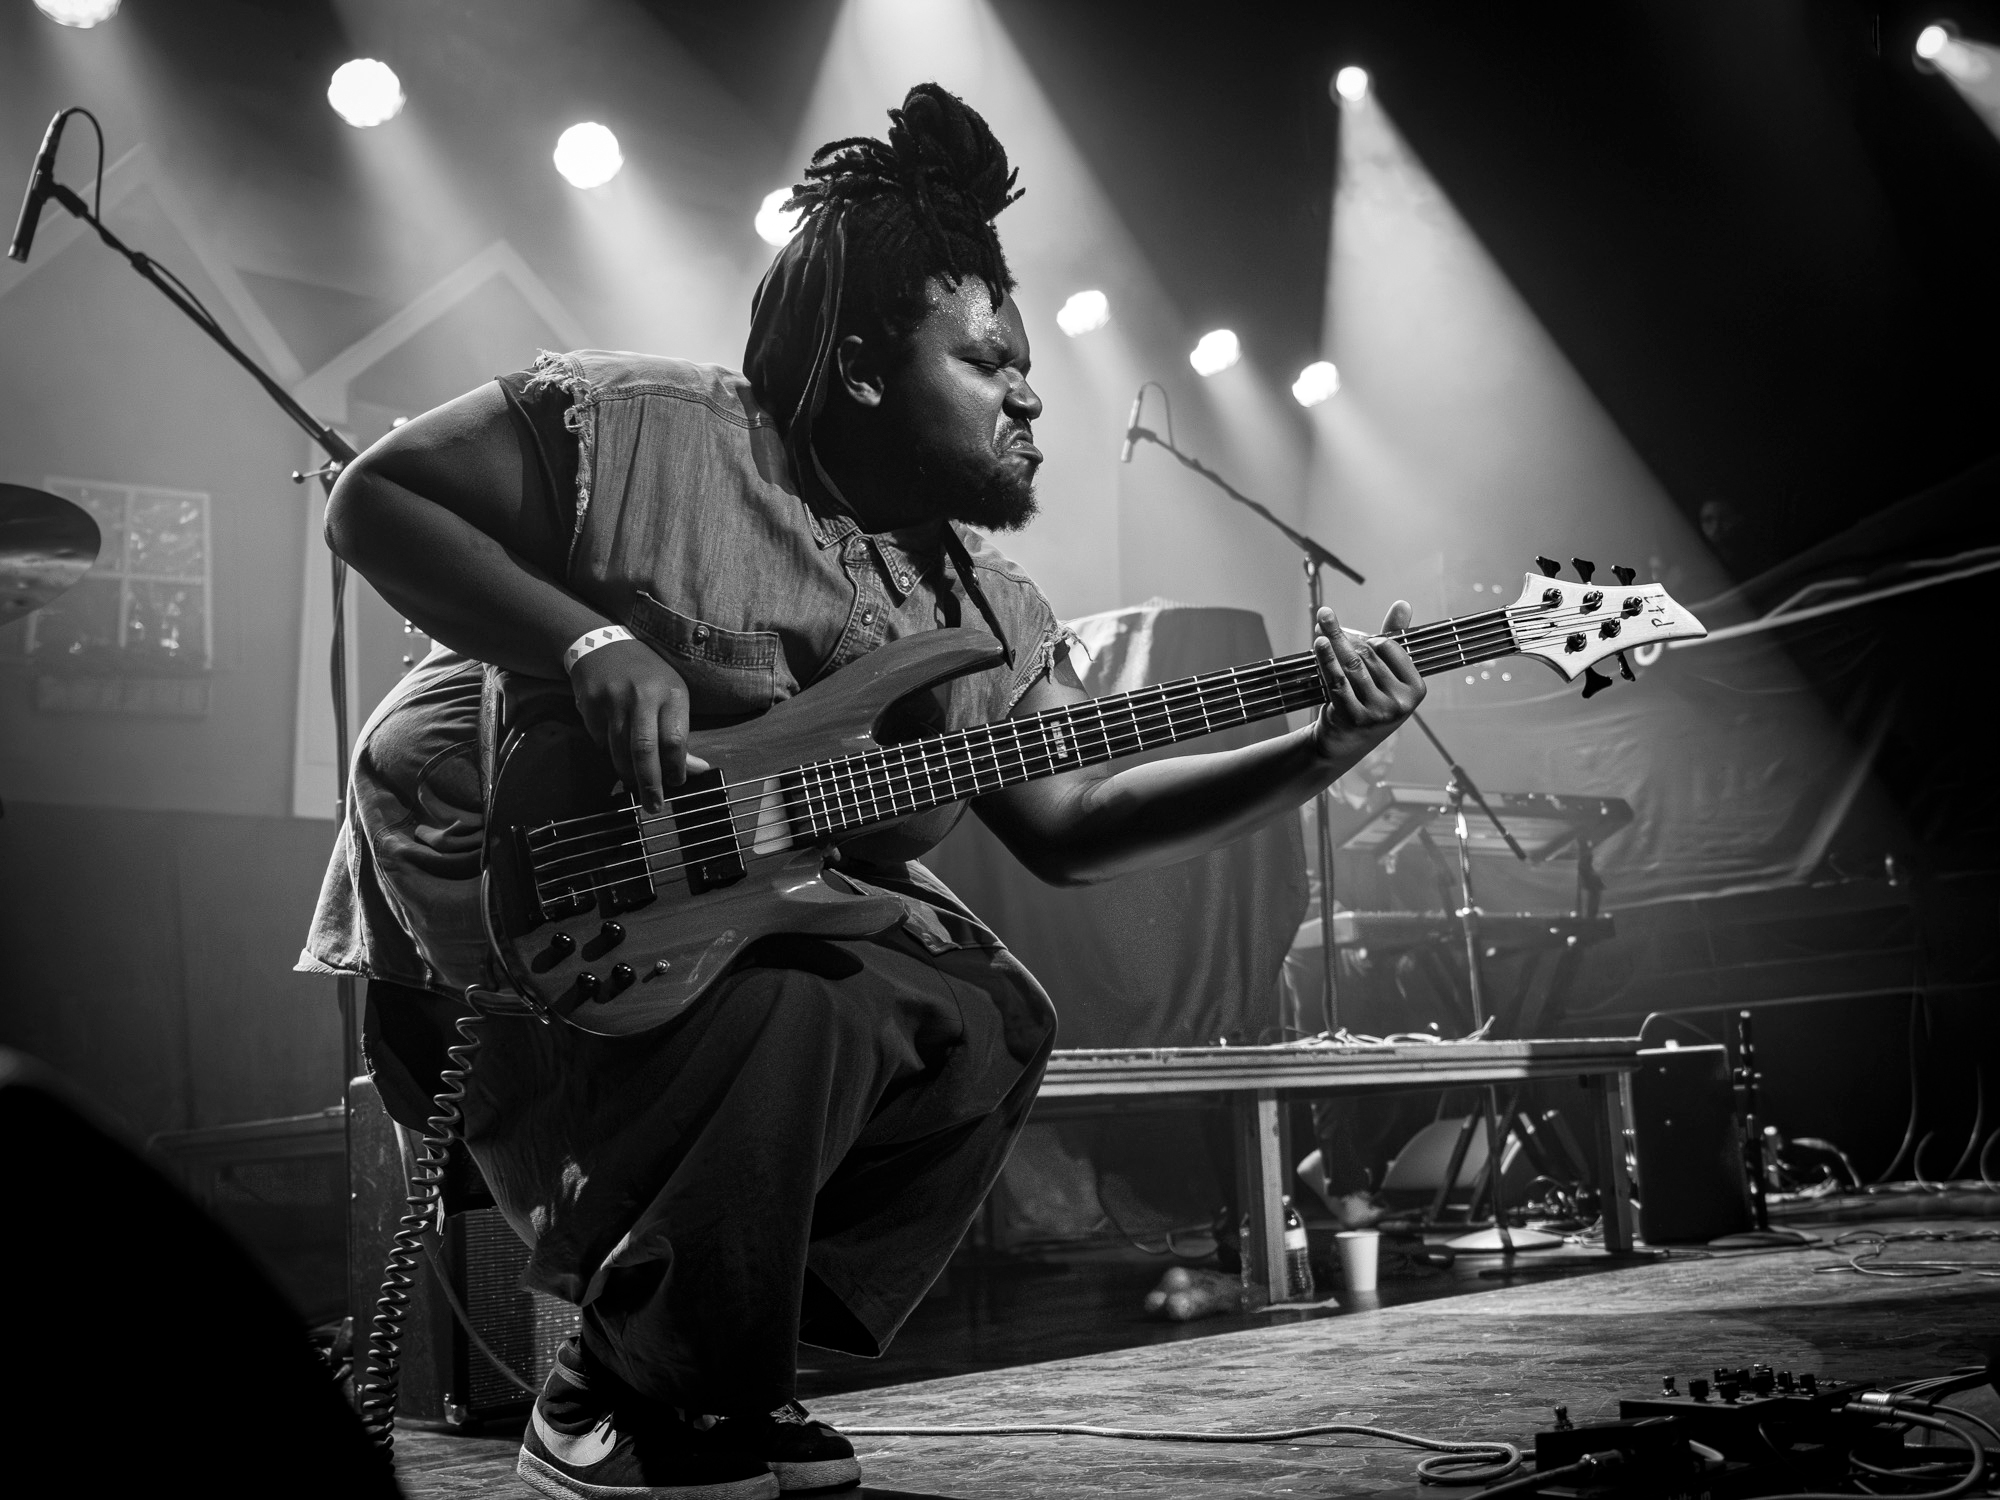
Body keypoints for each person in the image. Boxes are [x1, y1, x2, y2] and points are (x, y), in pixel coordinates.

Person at [303, 84, 1423, 1500]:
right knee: (801, 999)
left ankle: (708, 1363)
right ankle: (615, 1387)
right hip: (504, 854)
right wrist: (585, 642)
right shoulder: (653, 430)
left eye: (1026, 365)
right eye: (987, 360)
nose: (1029, 393)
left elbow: (1072, 826)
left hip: (734, 894)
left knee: (987, 1015)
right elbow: (375, 500)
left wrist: (1316, 750)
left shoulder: (983, 606)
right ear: (863, 369)